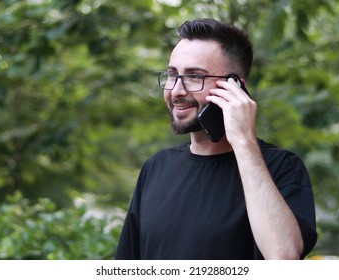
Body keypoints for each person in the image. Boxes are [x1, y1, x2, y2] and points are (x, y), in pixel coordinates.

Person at [115, 18, 317, 260]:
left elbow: (283, 257)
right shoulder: (155, 167)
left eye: (193, 76)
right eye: (171, 75)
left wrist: (243, 142)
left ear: (235, 88)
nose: (176, 90)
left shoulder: (282, 168)